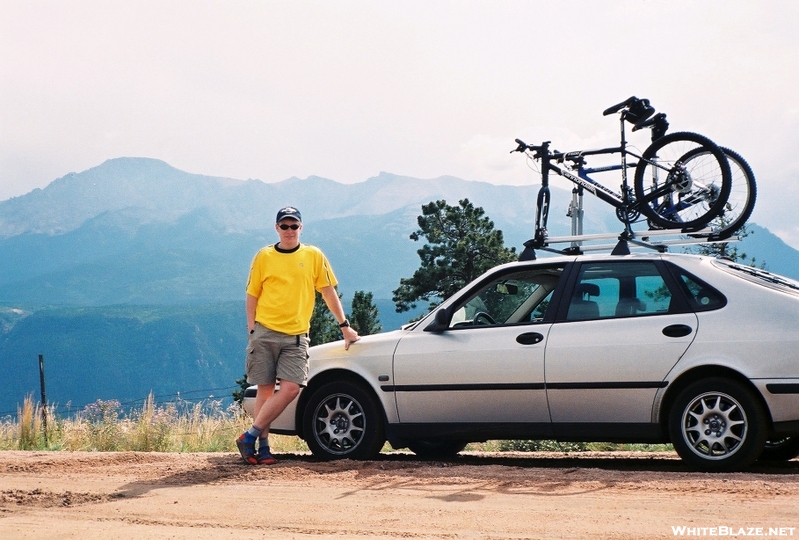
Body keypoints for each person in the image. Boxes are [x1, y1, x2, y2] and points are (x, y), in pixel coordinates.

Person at [236, 206, 360, 465]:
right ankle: (263, 447)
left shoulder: (313, 255)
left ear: (301, 228)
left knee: (291, 388)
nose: (289, 231)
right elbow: (252, 294)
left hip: (296, 335)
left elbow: (328, 291)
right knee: (265, 390)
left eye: (294, 226)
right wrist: (252, 329)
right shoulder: (264, 256)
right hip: (265, 331)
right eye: (285, 226)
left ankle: (249, 435)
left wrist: (344, 326)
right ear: (277, 228)